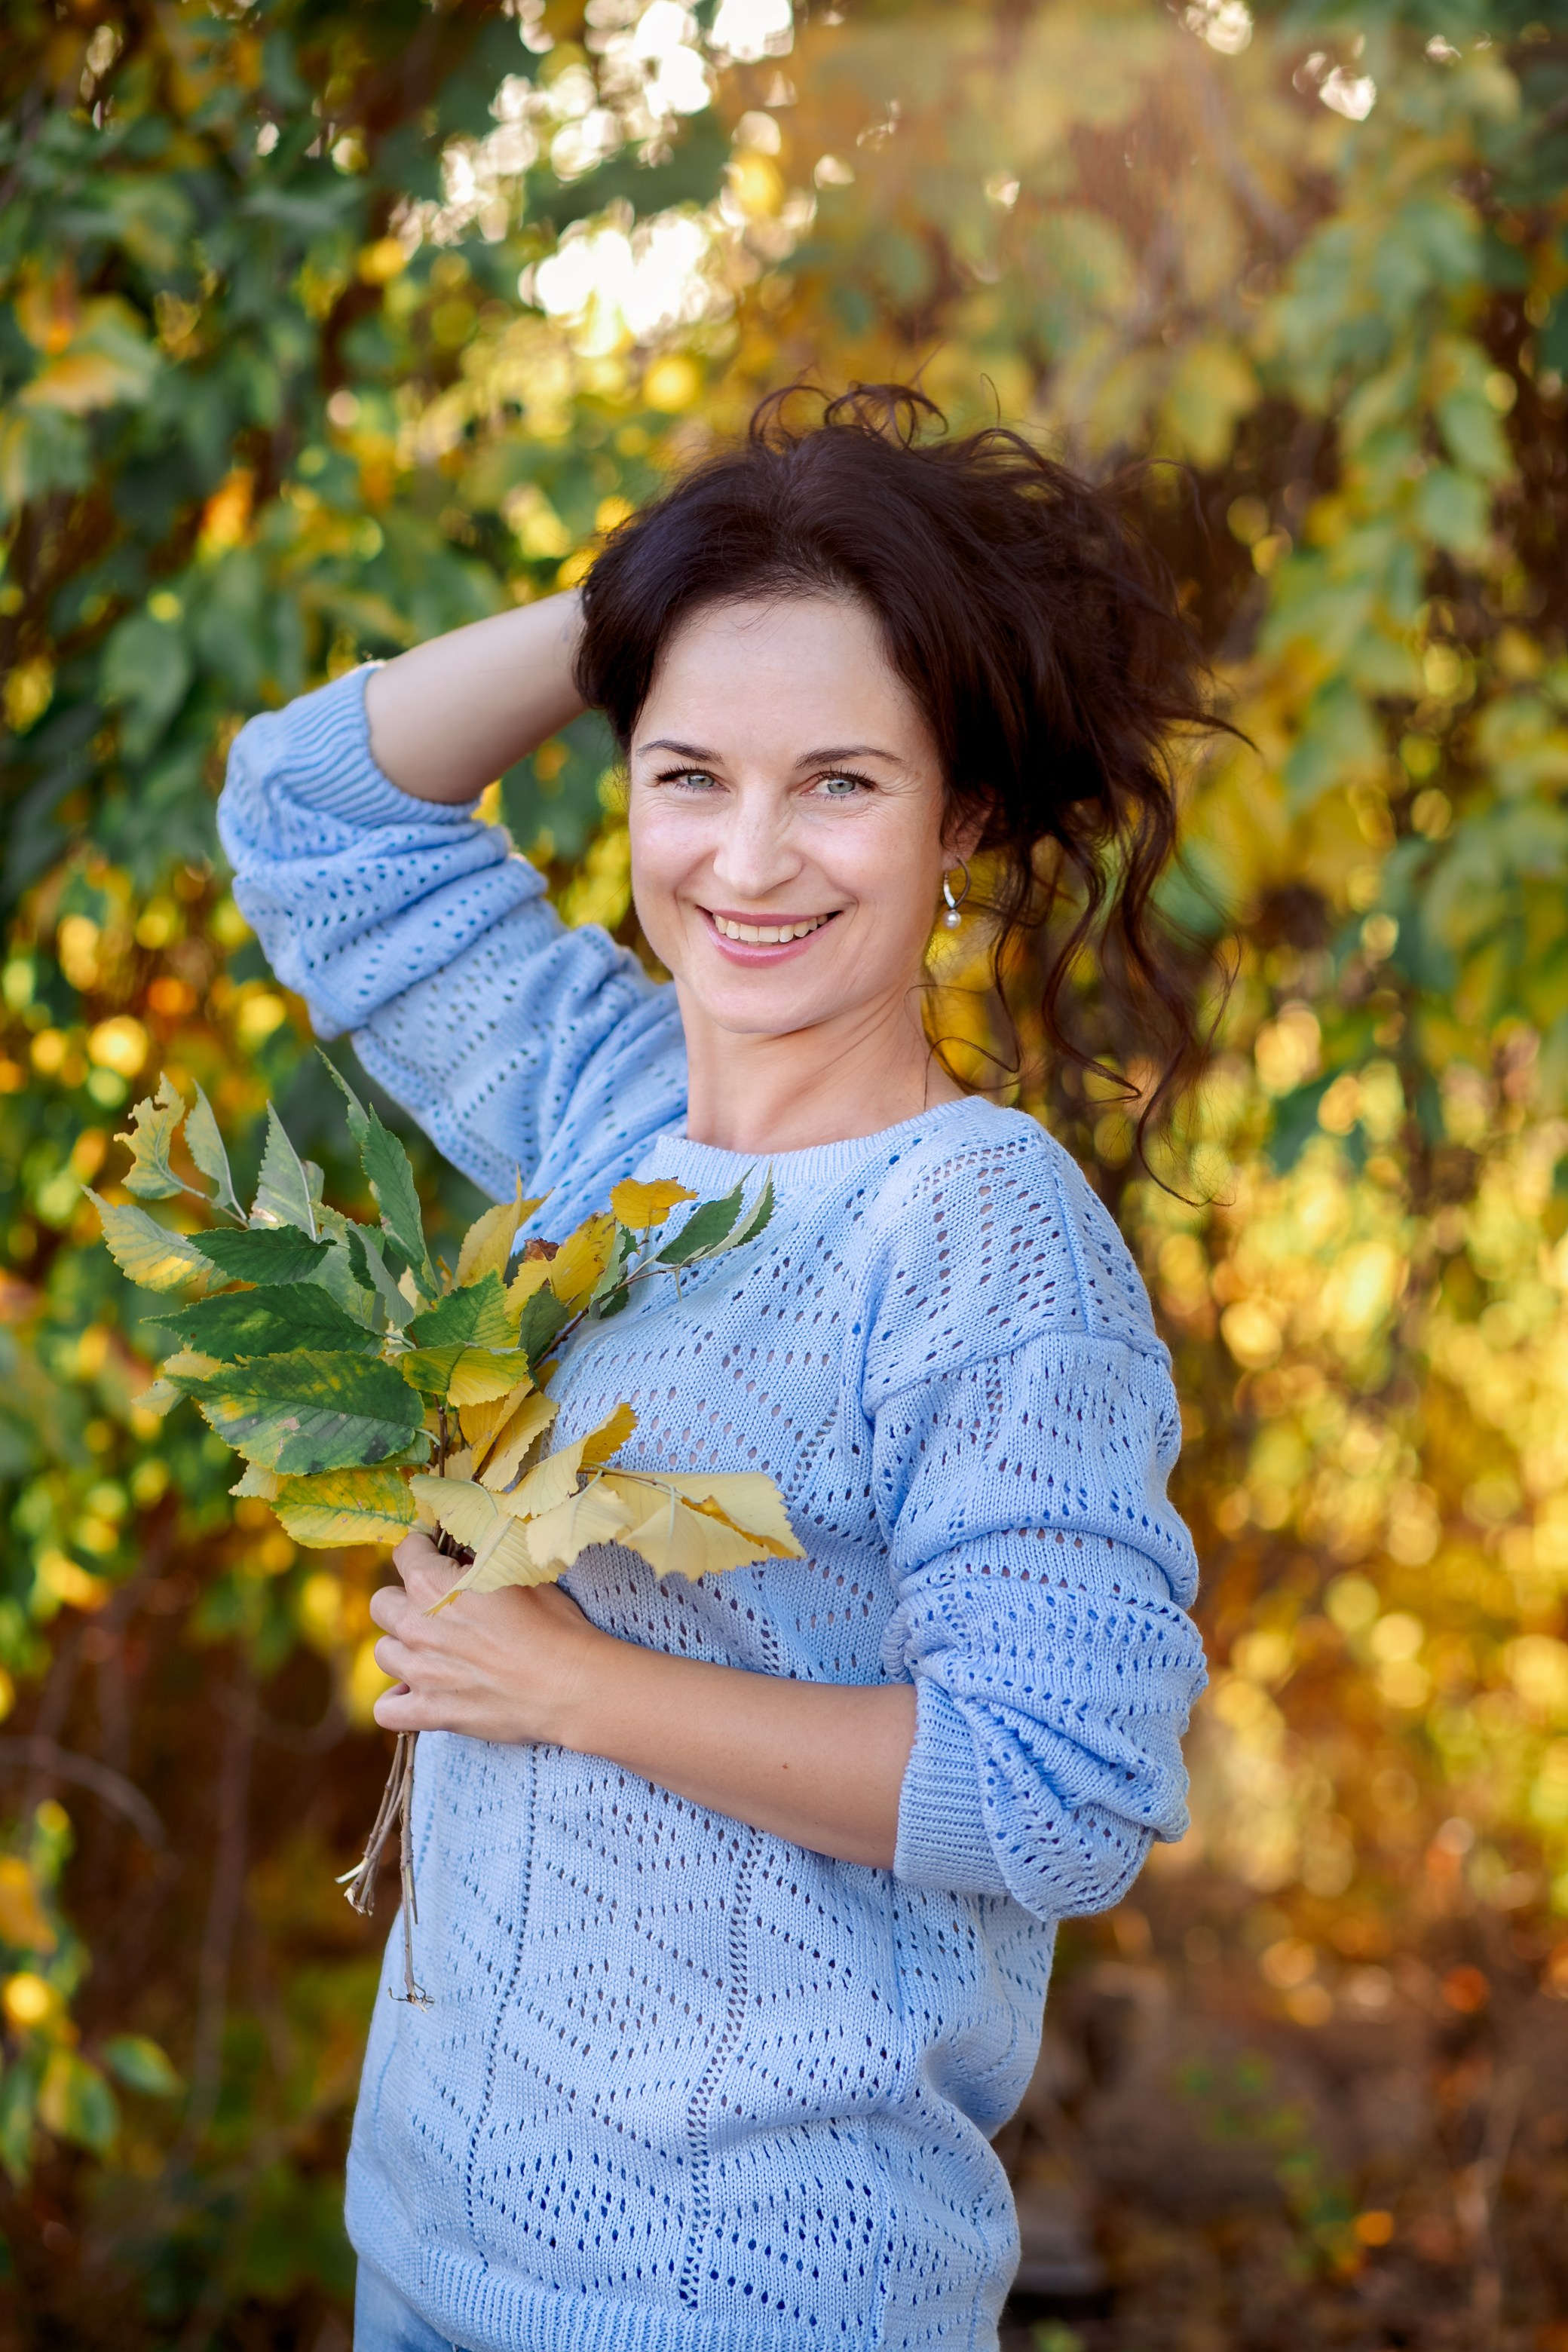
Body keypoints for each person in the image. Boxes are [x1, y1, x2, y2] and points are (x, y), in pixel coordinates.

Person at [219, 384, 1209, 2352]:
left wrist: (574, 1688)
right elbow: (310, 810)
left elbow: (1062, 1791)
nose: (748, 858)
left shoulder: (981, 1235)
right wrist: (646, 601)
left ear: (962, 816)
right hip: (429, 2245)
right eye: (688, 774)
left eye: (839, 781)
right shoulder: (606, 1106)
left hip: (748, 2288)